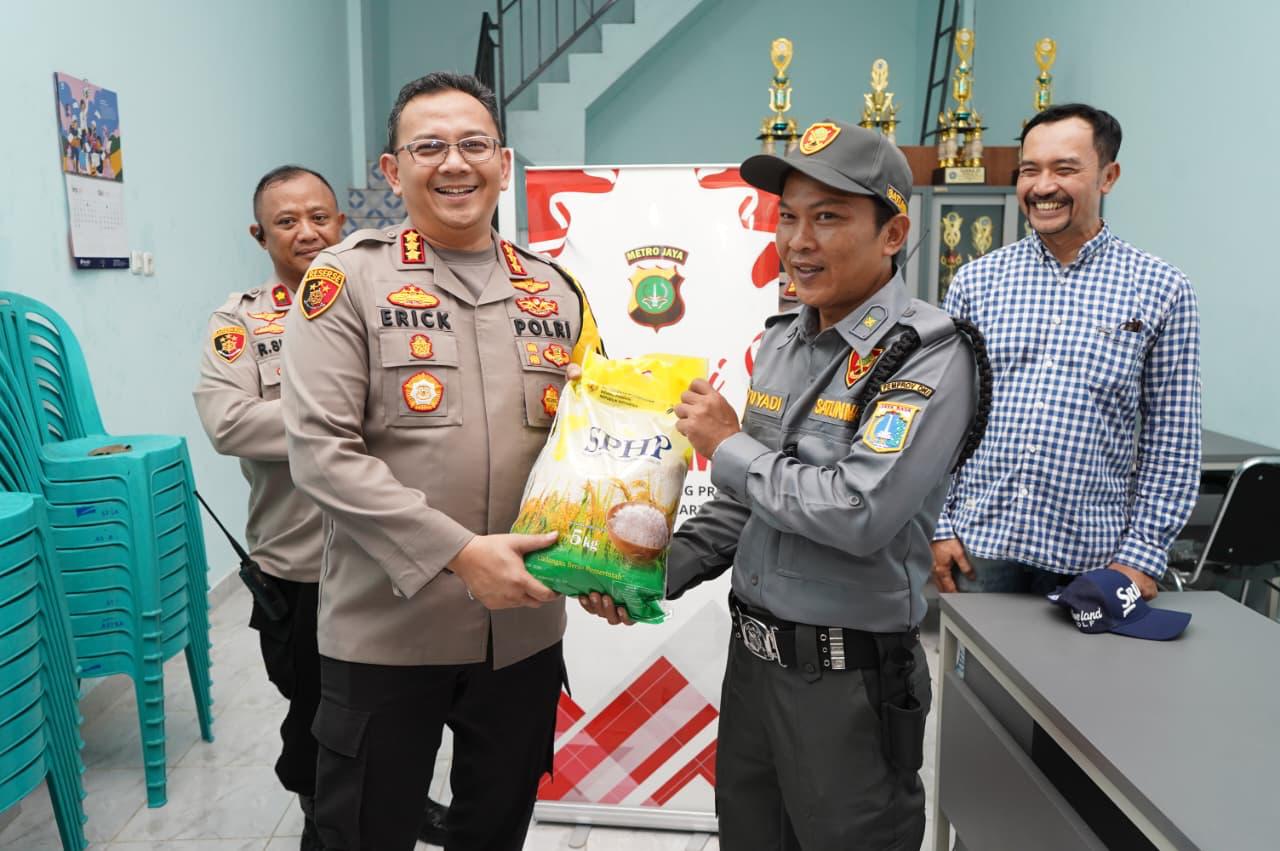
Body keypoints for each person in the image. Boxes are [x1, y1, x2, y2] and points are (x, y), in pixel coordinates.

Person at [583, 121, 990, 850]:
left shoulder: (928, 354)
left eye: (829, 217)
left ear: (893, 232)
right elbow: (747, 504)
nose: (799, 240)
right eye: (788, 215)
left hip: (849, 688)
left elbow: (860, 511)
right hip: (753, 672)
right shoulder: (782, 339)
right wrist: (642, 574)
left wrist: (729, 445)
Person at [281, 72, 604, 851]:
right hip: (389, 629)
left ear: (504, 162)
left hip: (522, 632)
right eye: (429, 146)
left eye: (473, 144)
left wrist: (610, 556)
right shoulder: (346, 280)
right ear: (393, 171)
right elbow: (322, 453)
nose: (454, 162)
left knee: (495, 827)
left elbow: (591, 442)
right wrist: (458, 553)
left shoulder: (554, 291)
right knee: (362, 830)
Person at [193, 165, 448, 849]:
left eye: (320, 216)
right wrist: (338, 417)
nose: (306, 231)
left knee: (394, 706)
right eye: (286, 221)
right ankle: (320, 818)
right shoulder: (240, 322)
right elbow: (228, 422)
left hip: (386, 555)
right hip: (299, 565)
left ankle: (401, 797)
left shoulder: (390, 303)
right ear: (260, 234)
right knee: (317, 714)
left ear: (342, 223)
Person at [930, 103, 1202, 600]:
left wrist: (1141, 555)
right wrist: (939, 523)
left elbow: (1173, 437)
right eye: (1029, 170)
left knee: (1080, 680)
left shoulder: (1162, 289)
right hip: (980, 547)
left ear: (1108, 177)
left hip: (1093, 557)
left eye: (1065, 169)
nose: (1042, 186)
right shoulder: (976, 281)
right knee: (972, 679)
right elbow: (944, 417)